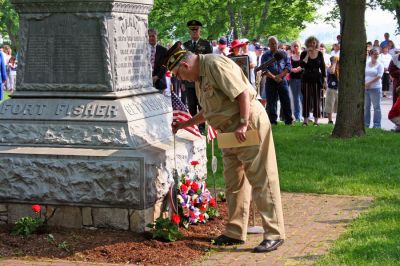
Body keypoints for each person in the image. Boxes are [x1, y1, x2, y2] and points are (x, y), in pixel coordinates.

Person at [165, 42, 285, 253]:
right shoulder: (201, 76)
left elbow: (242, 94)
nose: (180, 79)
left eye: (178, 74)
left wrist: (243, 123)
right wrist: (184, 124)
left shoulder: (214, 64)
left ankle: (274, 233)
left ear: (184, 65)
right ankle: (235, 231)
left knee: (261, 179)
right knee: (234, 183)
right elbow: (209, 111)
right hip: (229, 133)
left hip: (246, 126)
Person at [183, 20, 212, 133]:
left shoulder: (205, 44)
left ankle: (201, 128)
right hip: (189, 81)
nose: (194, 32)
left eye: (196, 30)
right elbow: (182, 65)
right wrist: (183, 83)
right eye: (192, 30)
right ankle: (193, 127)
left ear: (200, 30)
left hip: (201, 79)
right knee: (191, 104)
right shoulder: (185, 45)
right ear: (189, 31)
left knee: (202, 104)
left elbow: (209, 61)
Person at [261, 36, 293, 125]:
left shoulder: (284, 53)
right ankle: (272, 121)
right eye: (272, 43)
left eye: (275, 43)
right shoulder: (265, 55)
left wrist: (280, 76)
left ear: (277, 43)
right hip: (271, 81)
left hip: (282, 80)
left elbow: (288, 66)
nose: (274, 45)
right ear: (269, 45)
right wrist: (273, 77)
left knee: (286, 100)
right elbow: (264, 69)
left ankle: (288, 120)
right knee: (271, 102)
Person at [300, 36, 326, 126]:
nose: (312, 44)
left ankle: (316, 121)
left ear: (316, 44)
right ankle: (305, 121)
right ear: (307, 43)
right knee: (306, 99)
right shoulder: (303, 53)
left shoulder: (320, 54)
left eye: (314, 42)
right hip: (306, 78)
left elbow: (322, 67)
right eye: (310, 42)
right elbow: (302, 65)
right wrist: (307, 54)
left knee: (316, 100)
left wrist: (325, 79)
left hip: (316, 79)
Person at [364, 48, 384, 129]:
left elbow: (379, 76)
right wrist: (365, 84)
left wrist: (369, 83)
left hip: (375, 88)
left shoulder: (380, 64)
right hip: (366, 88)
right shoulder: (366, 63)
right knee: (366, 107)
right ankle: (366, 124)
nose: (376, 55)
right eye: (375, 54)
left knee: (376, 107)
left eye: (377, 54)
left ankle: (377, 125)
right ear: (371, 54)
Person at [289, 41, 303, 122]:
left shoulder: (303, 56)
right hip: (293, 79)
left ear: (300, 46)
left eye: (297, 46)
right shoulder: (290, 57)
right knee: (295, 98)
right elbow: (288, 66)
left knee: (302, 97)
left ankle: (305, 116)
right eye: (294, 46)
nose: (295, 47)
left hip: (302, 79)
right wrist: (292, 69)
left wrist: (299, 68)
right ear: (292, 47)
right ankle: (297, 117)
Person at [324, 56, 339, 124]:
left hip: (338, 89)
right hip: (331, 89)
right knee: (330, 105)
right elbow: (332, 72)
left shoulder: (339, 69)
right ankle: (330, 120)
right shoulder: (329, 68)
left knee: (338, 105)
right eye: (335, 60)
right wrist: (334, 63)